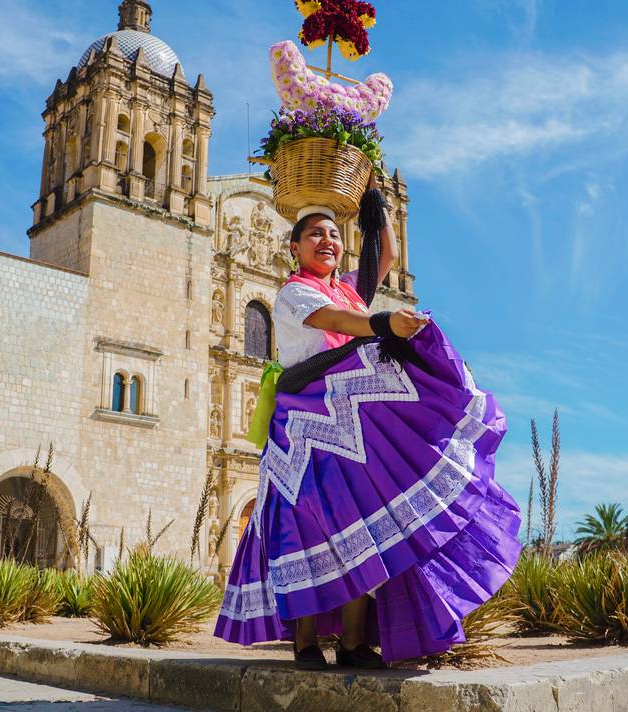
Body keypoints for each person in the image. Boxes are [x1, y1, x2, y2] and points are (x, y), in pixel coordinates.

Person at [215, 176, 522, 669]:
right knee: (309, 528)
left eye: (334, 234)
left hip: (354, 422)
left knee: (362, 527)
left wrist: (374, 202)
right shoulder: (296, 293)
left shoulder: (351, 290)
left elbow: (387, 258)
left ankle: (355, 642)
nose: (328, 241)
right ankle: (306, 641)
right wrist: (382, 323)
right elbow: (336, 323)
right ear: (294, 248)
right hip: (304, 429)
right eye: (315, 234)